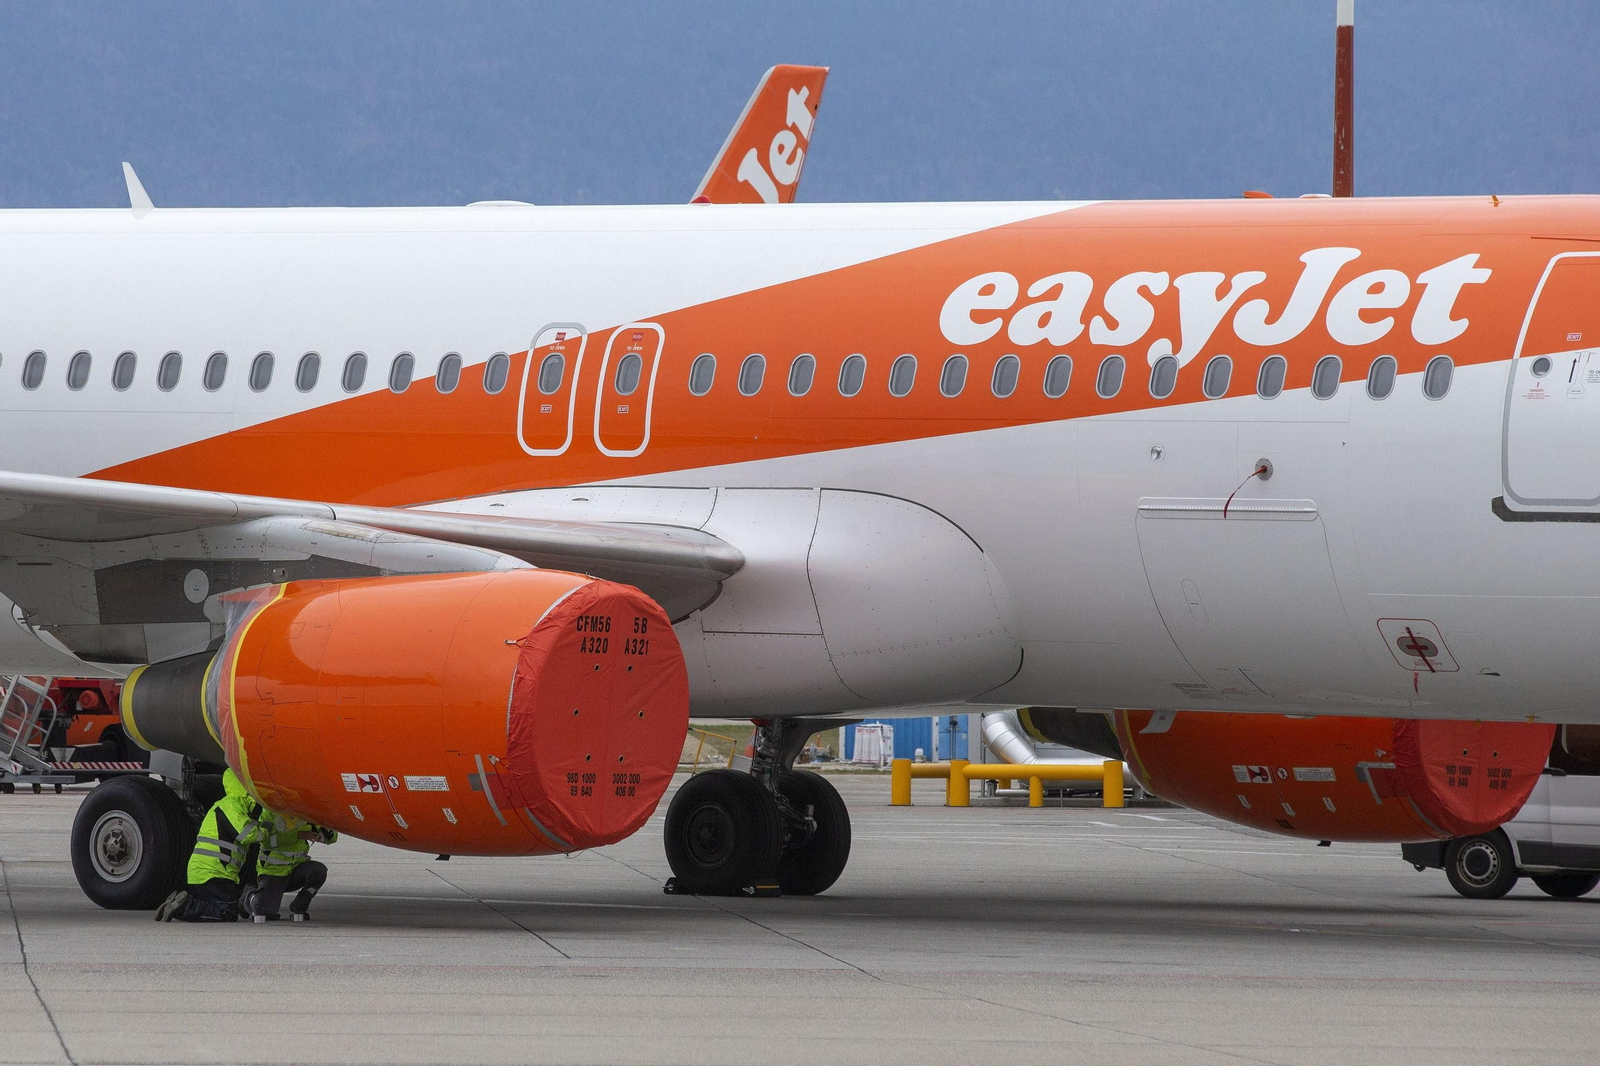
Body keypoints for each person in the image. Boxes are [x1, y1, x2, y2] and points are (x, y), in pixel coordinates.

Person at [155, 768, 261, 922]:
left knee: (218, 904)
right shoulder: (231, 806)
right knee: (227, 913)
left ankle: (176, 903)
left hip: (205, 873)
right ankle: (184, 906)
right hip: (213, 874)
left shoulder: (228, 805)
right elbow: (246, 834)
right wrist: (266, 832)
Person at [240, 808, 337, 922]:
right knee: (265, 912)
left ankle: (299, 906)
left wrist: (327, 828)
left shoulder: (305, 815)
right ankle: (248, 895)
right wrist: (297, 835)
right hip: (274, 872)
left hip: (295, 870)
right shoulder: (269, 815)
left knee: (319, 871)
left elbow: (330, 839)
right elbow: (266, 841)